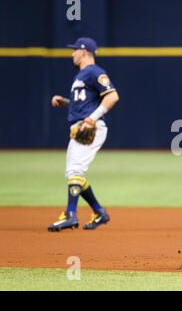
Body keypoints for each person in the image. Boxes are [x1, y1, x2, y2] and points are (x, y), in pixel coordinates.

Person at [48, 37, 119, 232]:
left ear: (84, 52)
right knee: (73, 172)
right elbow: (84, 105)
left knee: (74, 171)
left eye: (75, 50)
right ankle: (99, 212)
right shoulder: (81, 75)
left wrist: (92, 118)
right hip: (80, 126)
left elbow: (112, 96)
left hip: (90, 128)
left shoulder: (94, 71)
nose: (72, 54)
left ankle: (71, 215)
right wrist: (65, 102)